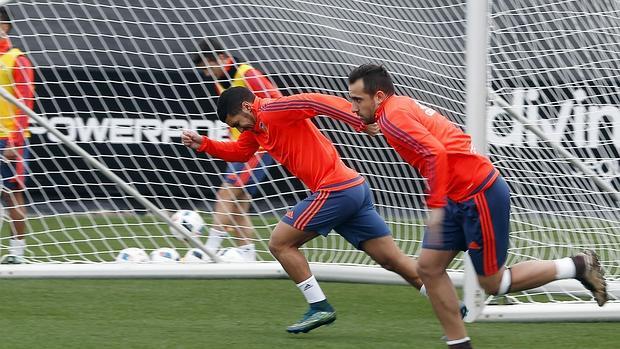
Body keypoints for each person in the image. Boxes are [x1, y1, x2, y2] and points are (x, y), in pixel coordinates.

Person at [346, 64, 608, 349]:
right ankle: (460, 344)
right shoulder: (395, 108)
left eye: (357, 100)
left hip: (478, 194)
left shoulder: (393, 117)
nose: (353, 106)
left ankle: (578, 265)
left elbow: (436, 153)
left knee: (494, 284)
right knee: (429, 268)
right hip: (454, 196)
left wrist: (434, 206)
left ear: (379, 97)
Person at [182, 87, 425, 334]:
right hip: (352, 188)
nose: (240, 128)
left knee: (279, 243)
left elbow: (317, 101)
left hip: (336, 190)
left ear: (246, 107)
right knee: (392, 260)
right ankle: (451, 302)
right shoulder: (255, 128)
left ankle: (319, 306)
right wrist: (204, 144)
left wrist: (360, 121)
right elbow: (240, 152)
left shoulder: (271, 109)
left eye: (237, 123)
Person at [190, 38, 282, 262]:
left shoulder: (247, 74)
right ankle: (248, 256)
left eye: (207, 67)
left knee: (226, 193)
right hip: (242, 147)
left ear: (221, 58)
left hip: (259, 147)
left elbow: (277, 100)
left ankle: (208, 252)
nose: (206, 74)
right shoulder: (221, 81)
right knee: (239, 206)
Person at [0, 7, 34, 264]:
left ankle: (17, 254)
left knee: (12, 195)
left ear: (6, 26)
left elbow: (25, 103)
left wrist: (14, 141)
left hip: (8, 139)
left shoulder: (17, 59)